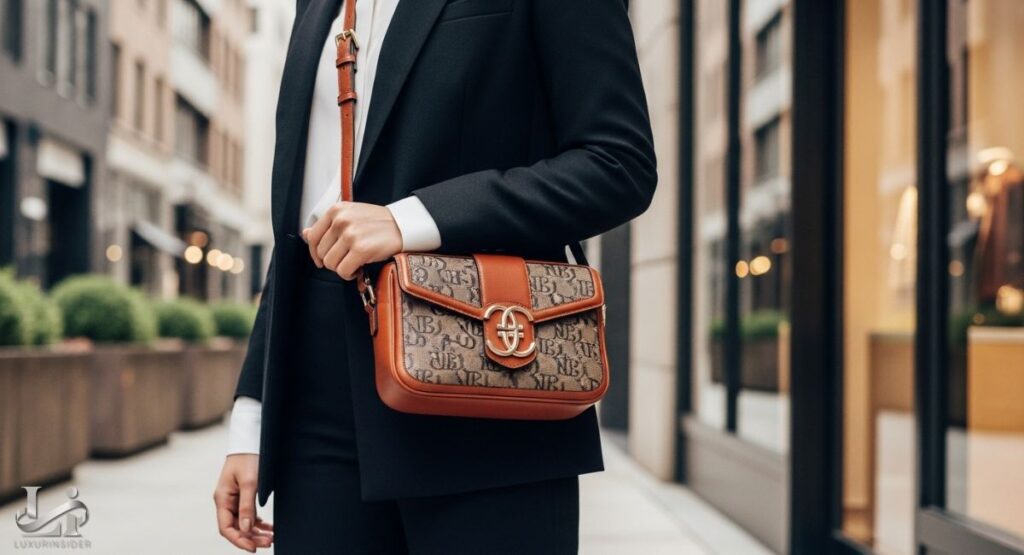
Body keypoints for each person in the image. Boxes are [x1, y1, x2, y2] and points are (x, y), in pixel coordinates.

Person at [212, 0, 656, 553]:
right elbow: (303, 216)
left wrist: (411, 220)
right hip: (316, 410)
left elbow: (618, 163)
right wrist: (253, 418)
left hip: (484, 387)